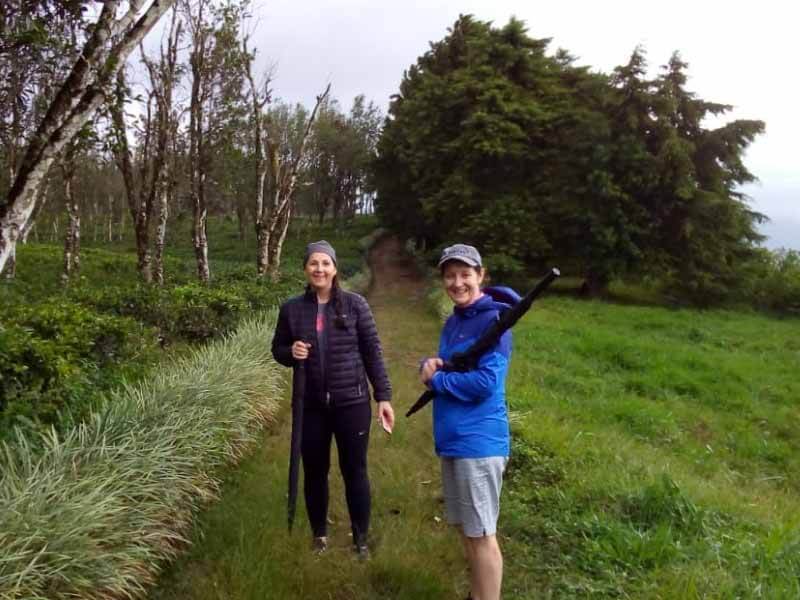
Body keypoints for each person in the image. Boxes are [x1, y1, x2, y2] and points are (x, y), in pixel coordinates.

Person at [272, 240, 394, 558]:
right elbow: (278, 349)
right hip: (310, 405)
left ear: (335, 269)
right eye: (314, 263)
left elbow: (373, 353)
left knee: (355, 469)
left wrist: (383, 397)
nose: (320, 269)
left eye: (326, 263)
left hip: (351, 403)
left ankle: (361, 539)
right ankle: (319, 535)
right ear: (305, 269)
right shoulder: (291, 309)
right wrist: (291, 352)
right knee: (314, 470)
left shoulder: (356, 306)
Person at [420, 244, 513, 600]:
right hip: (454, 440)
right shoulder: (455, 320)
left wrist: (437, 381)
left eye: (465, 274)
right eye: (450, 275)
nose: (457, 282)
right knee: (468, 531)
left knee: (482, 535)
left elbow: (485, 383)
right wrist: (430, 366)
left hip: (479, 442)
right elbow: (453, 366)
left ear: (481, 275)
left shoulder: (496, 321)